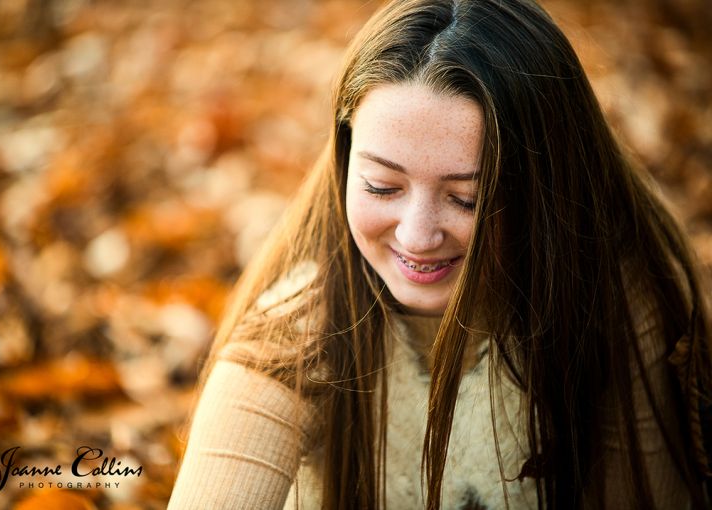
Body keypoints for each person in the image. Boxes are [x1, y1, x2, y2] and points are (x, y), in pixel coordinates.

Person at [167, 0, 712, 508]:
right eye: (382, 186)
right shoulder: (297, 329)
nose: (418, 237)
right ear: (343, 162)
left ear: (547, 192)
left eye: (467, 198)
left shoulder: (617, 303)